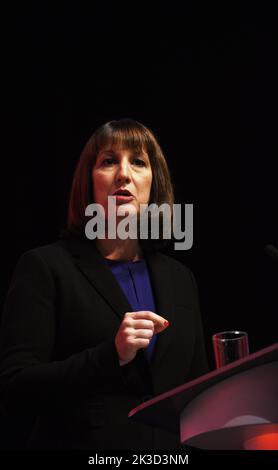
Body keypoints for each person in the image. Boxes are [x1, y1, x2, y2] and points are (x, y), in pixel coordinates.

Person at [0, 119, 208, 449]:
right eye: (109, 161)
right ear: (88, 183)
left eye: (138, 162)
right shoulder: (46, 267)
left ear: (154, 184)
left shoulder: (180, 279)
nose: (124, 174)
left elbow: (198, 393)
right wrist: (110, 355)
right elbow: (16, 387)